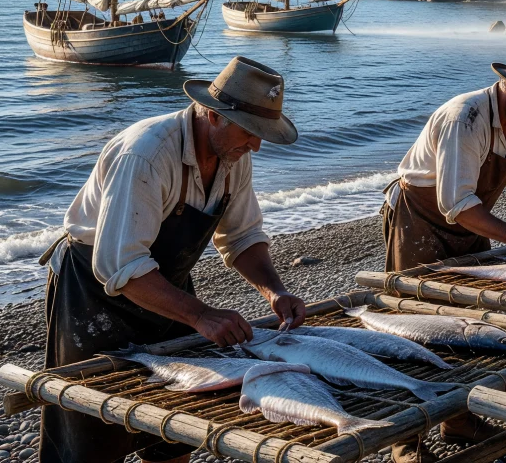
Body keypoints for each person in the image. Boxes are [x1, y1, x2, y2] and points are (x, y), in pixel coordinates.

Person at [39, 56, 307, 463]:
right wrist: (201, 316)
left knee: (175, 421)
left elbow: (241, 236)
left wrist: (275, 291)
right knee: (92, 428)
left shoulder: (234, 156)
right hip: (94, 294)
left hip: (167, 289)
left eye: (261, 134)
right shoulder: (146, 154)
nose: (256, 144)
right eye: (251, 131)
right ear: (213, 115)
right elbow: (122, 266)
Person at [382, 47, 506, 461]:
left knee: (466, 326)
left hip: (471, 221)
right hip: (419, 220)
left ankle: (456, 419)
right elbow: (453, 202)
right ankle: (404, 441)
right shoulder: (466, 117)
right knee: (411, 328)